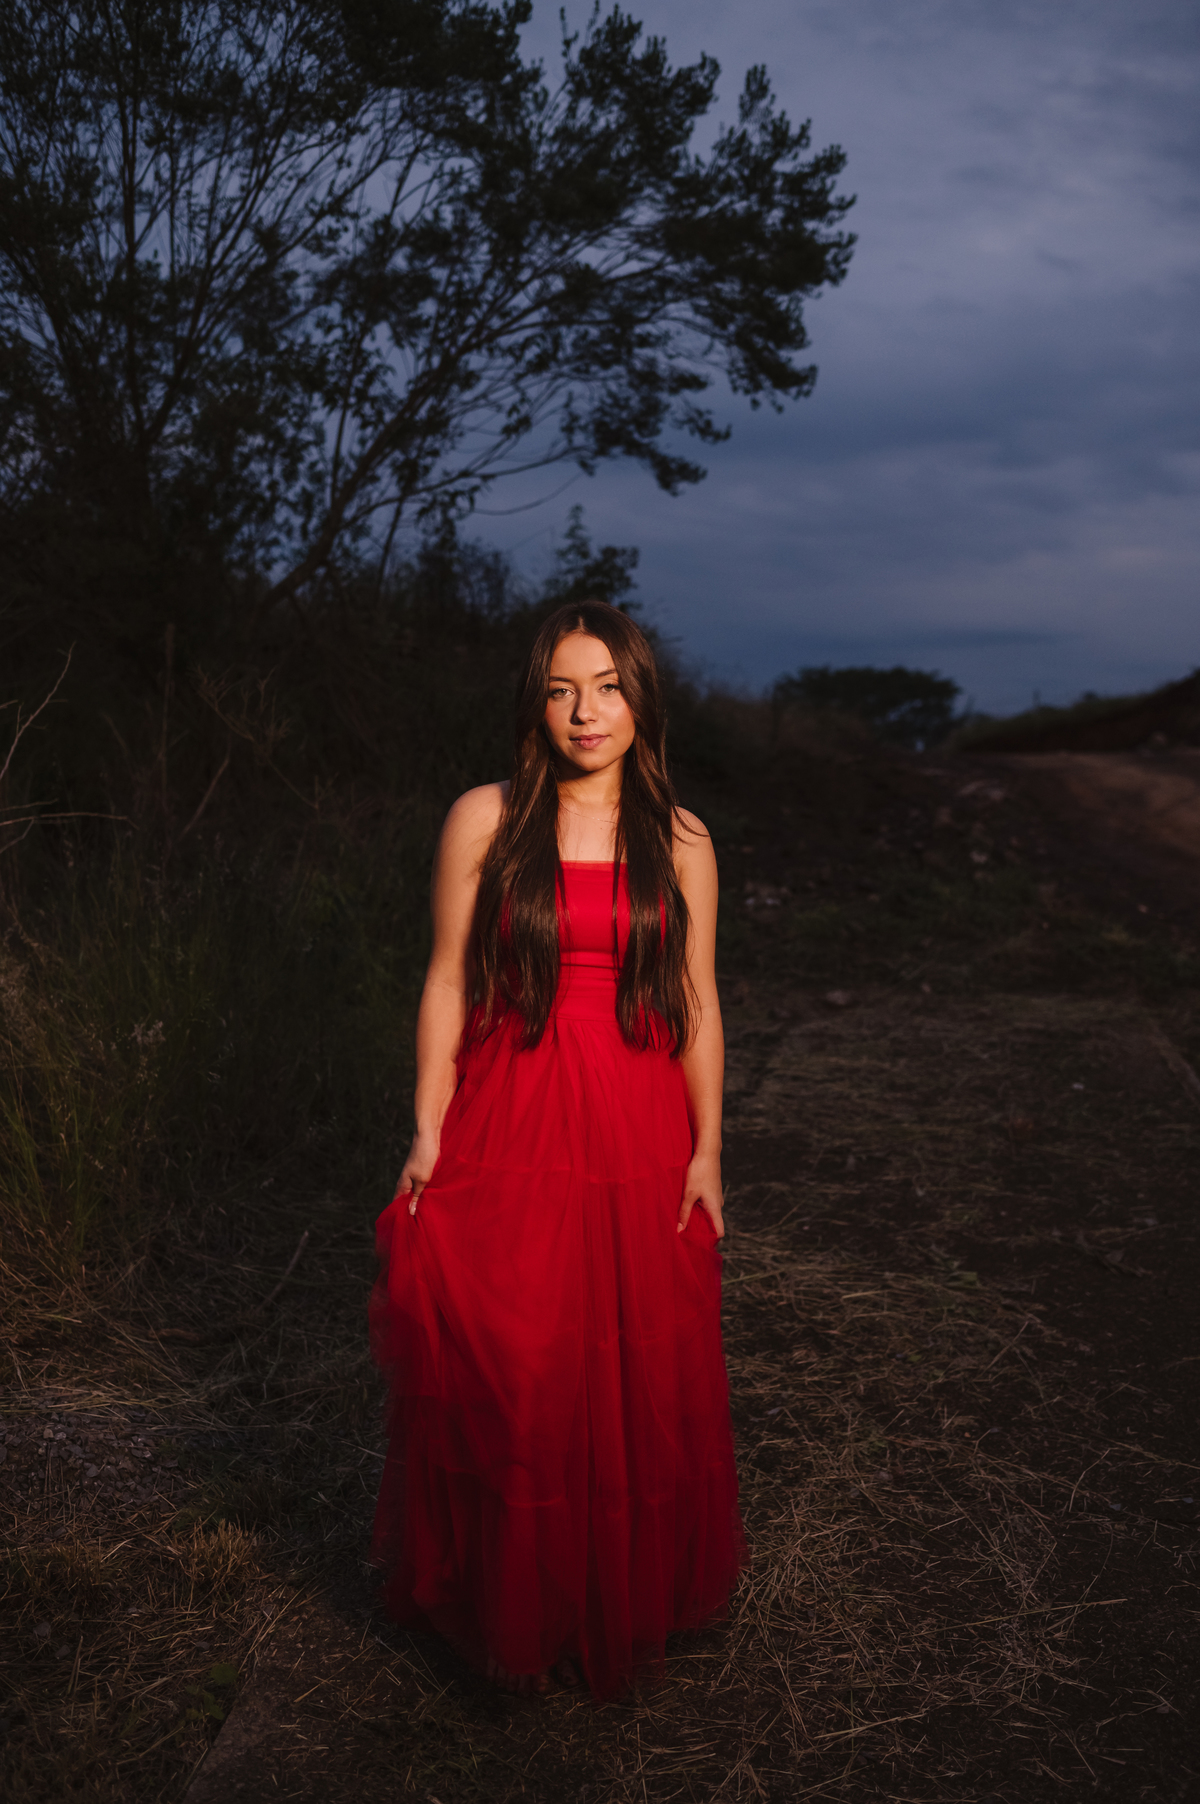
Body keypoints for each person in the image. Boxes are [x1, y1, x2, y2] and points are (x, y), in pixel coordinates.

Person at [369, 601, 743, 1698]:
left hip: (635, 1118)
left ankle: (605, 1602)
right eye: (563, 688)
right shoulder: (485, 817)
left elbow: (696, 998)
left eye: (610, 687)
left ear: (642, 700)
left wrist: (709, 1148)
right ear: (537, 702)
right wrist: (429, 1124)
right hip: (514, 1107)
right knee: (519, 1361)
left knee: (626, 1367)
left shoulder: (680, 838)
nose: (587, 712)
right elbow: (446, 977)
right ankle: (509, 1603)